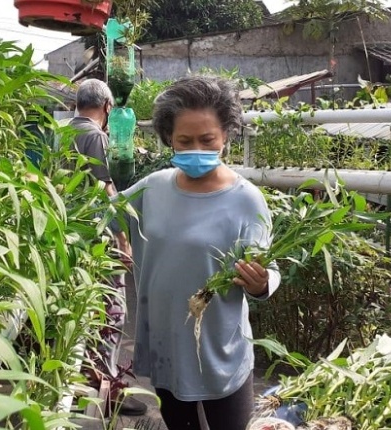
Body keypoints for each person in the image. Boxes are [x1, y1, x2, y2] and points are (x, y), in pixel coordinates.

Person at [111, 75, 281, 430]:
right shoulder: (152, 189)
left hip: (221, 353)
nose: (196, 151)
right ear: (168, 139)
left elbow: (269, 270)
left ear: (225, 138)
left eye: (207, 140)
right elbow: (99, 217)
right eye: (184, 141)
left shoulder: (246, 199)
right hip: (167, 348)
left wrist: (260, 283)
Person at [70, 78, 147, 416]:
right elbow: (107, 189)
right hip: (96, 239)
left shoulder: (60, 132)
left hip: (67, 237)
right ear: (107, 108)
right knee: (111, 311)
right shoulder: (97, 137)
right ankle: (109, 389)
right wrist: (122, 239)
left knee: (77, 309)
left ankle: (72, 381)